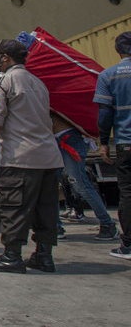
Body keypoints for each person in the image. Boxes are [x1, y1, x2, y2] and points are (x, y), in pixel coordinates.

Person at [0, 40, 63, 273]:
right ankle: (44, 256)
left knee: (14, 208)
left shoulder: (0, 83)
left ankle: (12, 256)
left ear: (5, 58)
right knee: (46, 209)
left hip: (21, 157)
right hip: (49, 157)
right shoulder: (38, 83)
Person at [51, 113, 117, 240]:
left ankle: (108, 224)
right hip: (54, 139)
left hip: (68, 137)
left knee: (80, 184)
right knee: (50, 185)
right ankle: (55, 227)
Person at [94, 31, 131, 259]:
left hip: (126, 142)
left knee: (127, 193)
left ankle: (128, 244)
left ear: (118, 51)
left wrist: (103, 141)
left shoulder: (108, 76)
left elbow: (105, 114)